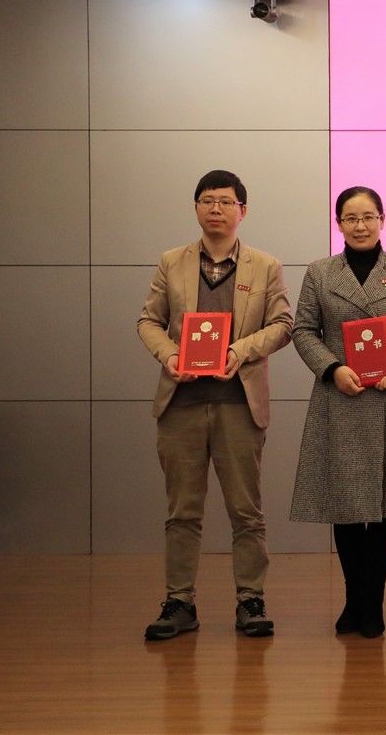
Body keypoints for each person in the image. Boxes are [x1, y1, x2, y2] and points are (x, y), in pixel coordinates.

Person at [137, 169, 293, 640]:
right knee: (182, 512)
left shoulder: (265, 265)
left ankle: (251, 599)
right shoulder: (172, 261)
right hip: (181, 404)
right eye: (207, 201)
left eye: (226, 202)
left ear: (242, 210)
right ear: (196, 208)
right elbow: (148, 321)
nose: (216, 209)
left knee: (246, 511)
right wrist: (170, 355)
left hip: (238, 404)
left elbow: (283, 324)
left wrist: (239, 351)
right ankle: (179, 602)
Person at [289, 186, 386, 638]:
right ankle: (354, 598)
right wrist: (333, 369)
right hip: (340, 397)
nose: (360, 225)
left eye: (369, 216)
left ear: (382, 220)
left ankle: (373, 601)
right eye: (350, 218)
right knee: (347, 506)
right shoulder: (319, 272)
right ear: (339, 224)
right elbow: (303, 330)